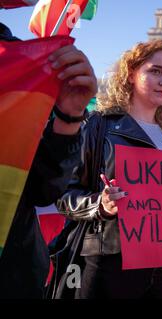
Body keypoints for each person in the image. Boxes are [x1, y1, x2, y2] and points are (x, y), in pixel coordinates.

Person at [56, 40, 162, 298]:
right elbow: (63, 194)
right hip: (112, 261)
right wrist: (100, 205)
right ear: (131, 74)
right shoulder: (98, 126)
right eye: (155, 70)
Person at [0, 20, 97, 298]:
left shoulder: (21, 64)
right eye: (156, 71)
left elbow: (42, 191)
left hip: (13, 273)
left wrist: (69, 116)